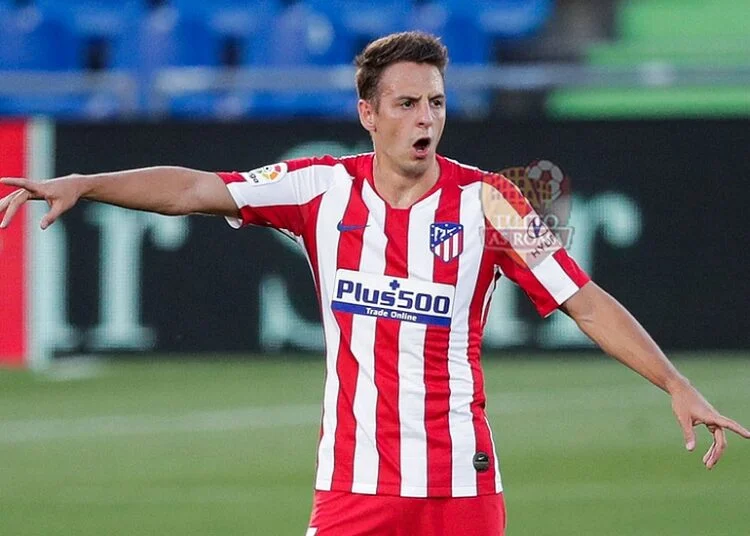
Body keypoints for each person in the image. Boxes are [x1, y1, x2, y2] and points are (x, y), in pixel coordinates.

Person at [0, 31, 748, 536]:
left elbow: (582, 299)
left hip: (463, 486)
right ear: (368, 114)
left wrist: (675, 383)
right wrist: (87, 181)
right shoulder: (319, 188)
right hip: (355, 485)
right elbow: (198, 190)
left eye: (437, 103)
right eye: (407, 103)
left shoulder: (491, 200)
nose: (427, 118)